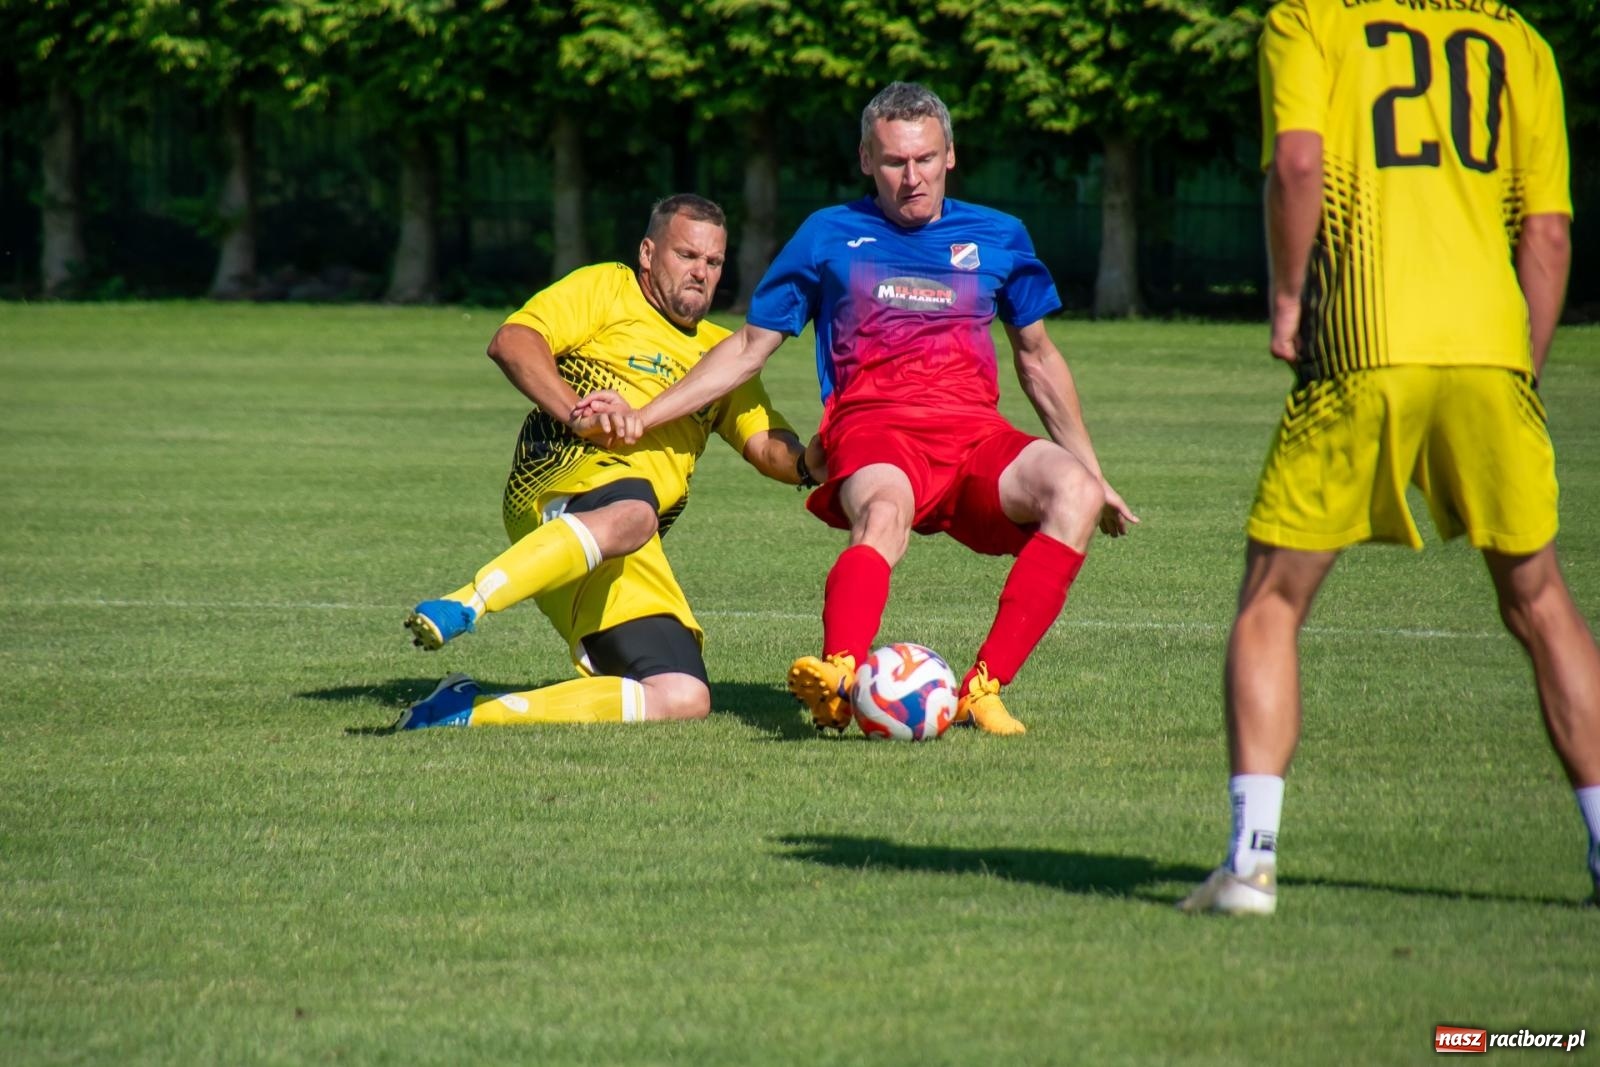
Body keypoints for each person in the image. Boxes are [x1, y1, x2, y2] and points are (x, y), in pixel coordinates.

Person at [1180, 0, 1600, 914]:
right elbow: (1548, 232)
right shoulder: (1518, 38)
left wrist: (1288, 300)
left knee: (1273, 600)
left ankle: (1250, 863)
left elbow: (1299, 162)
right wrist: (1520, 370)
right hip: (1491, 351)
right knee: (1541, 601)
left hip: (1365, 347)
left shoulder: (1309, 20)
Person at [580, 82, 1136, 736]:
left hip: (973, 436)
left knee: (1073, 491)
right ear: (867, 159)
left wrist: (1094, 472)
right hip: (873, 429)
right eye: (894, 161)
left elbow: (1037, 357)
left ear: (950, 155)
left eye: (925, 159)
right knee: (884, 512)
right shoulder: (827, 235)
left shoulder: (999, 236)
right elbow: (750, 348)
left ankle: (982, 690)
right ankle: (840, 676)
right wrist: (643, 415)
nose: (912, 176)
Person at [394, 194, 820, 730]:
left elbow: (768, 447)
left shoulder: (724, 354)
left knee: (681, 696)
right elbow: (514, 341)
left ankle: (464, 712)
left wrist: (814, 461)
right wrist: (576, 414)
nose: (701, 272)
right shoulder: (607, 288)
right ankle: (467, 602)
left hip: (625, 543)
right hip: (562, 475)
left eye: (713, 262)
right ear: (648, 253)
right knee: (634, 513)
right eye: (687, 255)